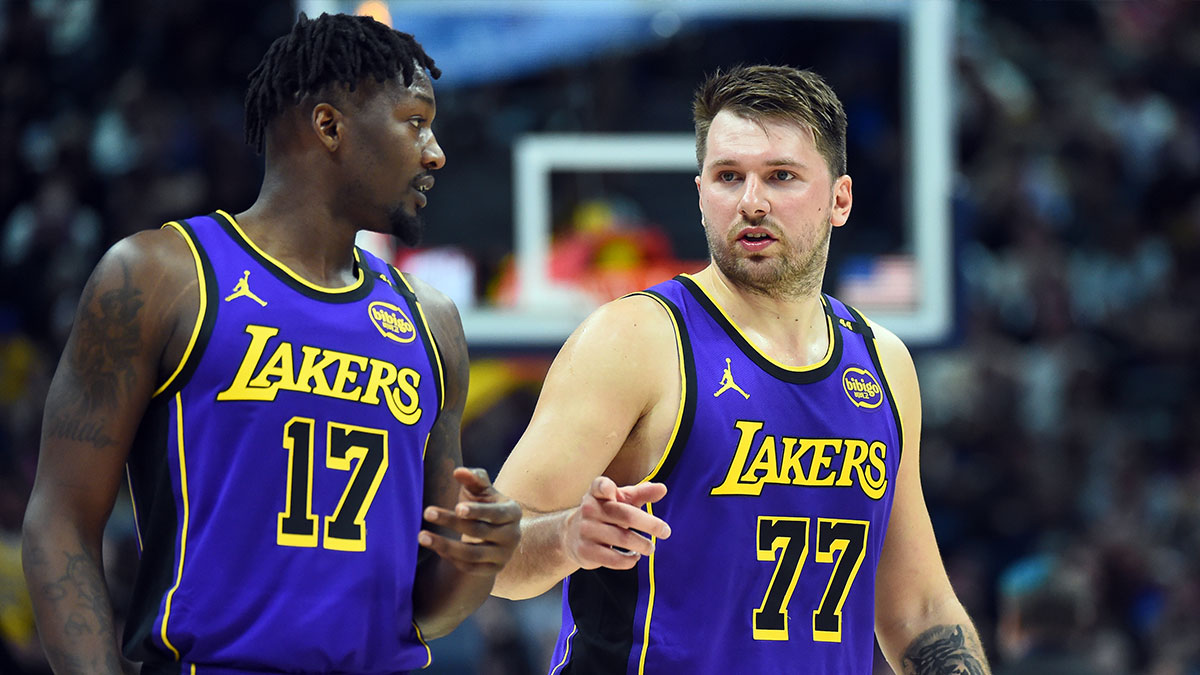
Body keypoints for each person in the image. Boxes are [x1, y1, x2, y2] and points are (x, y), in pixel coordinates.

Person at [21, 12, 521, 674]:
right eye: (415, 121)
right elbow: (59, 522)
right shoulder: (161, 276)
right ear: (329, 126)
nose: (435, 151)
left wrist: (479, 560)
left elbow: (425, 605)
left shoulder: (431, 321)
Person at [491, 65, 991, 674]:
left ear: (840, 199)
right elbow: (491, 554)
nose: (752, 202)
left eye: (781, 176)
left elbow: (918, 608)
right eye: (730, 177)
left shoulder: (883, 361)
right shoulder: (636, 339)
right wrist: (568, 536)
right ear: (701, 192)